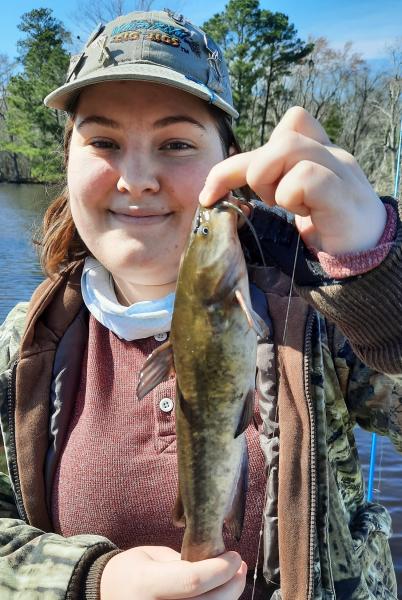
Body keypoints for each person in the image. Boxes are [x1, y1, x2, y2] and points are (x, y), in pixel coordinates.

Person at [0, 8, 400, 600]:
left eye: (177, 143)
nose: (137, 179)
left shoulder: (322, 307)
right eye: (104, 141)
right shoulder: (27, 340)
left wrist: (378, 279)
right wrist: (91, 579)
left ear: (229, 164)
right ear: (67, 162)